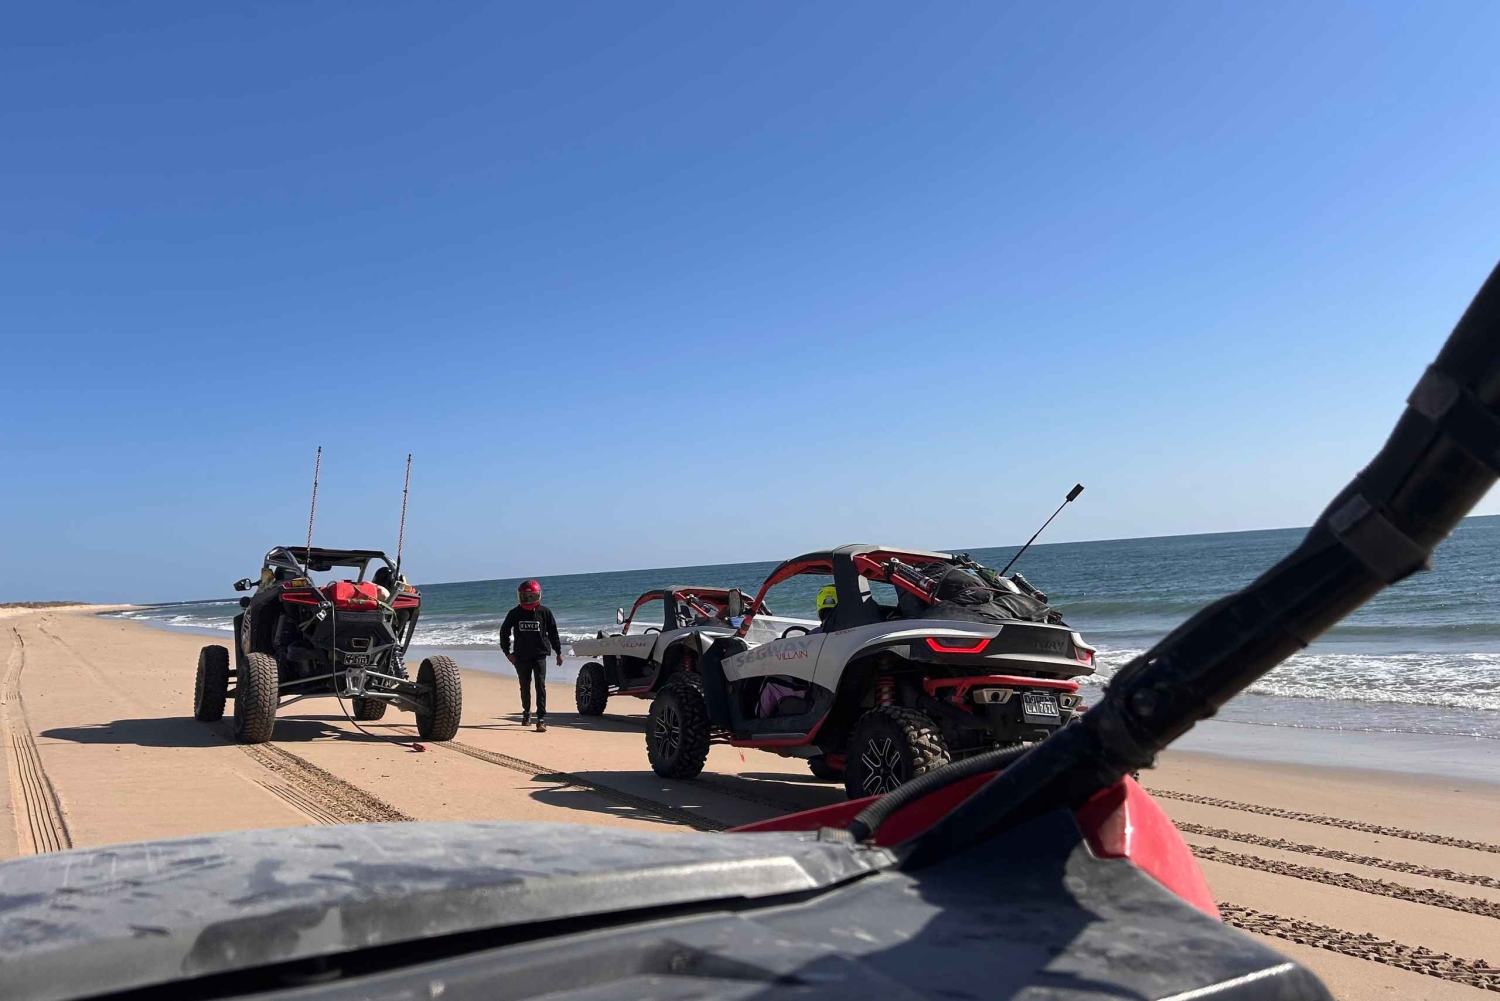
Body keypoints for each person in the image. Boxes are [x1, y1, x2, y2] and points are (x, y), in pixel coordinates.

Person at [500, 580, 563, 732]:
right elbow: (504, 633)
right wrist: (508, 653)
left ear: (538, 596)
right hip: (521, 657)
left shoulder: (545, 612)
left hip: (540, 655)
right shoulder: (514, 613)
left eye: (531, 596)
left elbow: (553, 633)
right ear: (520, 597)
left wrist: (558, 652)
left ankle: (541, 718)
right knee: (525, 686)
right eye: (525, 596)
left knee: (540, 686)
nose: (528, 600)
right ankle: (526, 713)